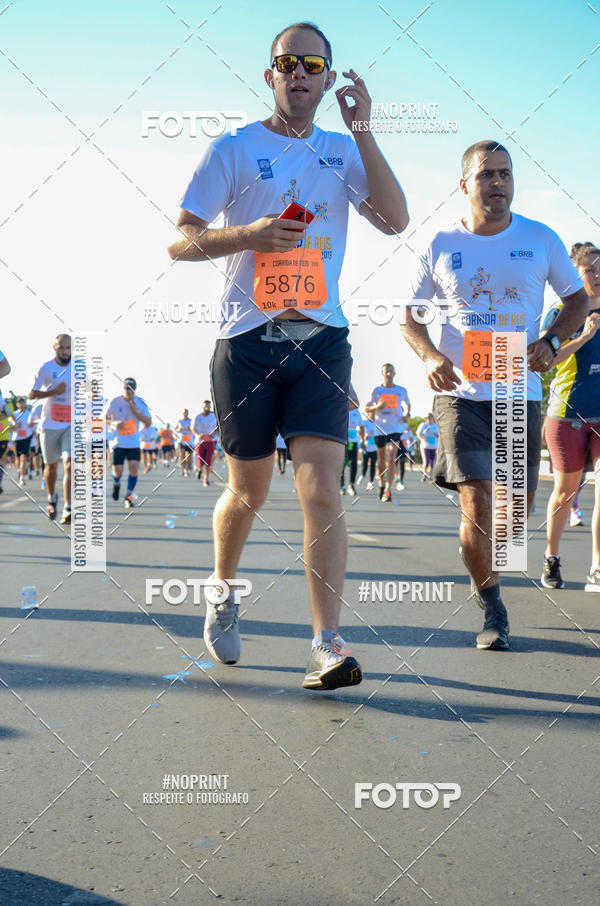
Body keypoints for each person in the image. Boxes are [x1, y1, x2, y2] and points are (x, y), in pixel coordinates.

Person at [168, 21, 408, 689]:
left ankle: (326, 643)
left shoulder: (342, 150)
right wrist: (248, 235)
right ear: (270, 73)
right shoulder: (235, 149)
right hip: (247, 342)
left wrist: (364, 131)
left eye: (312, 64)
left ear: (329, 79)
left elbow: (394, 220)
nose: (298, 73)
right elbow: (180, 239)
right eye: (286, 62)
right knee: (248, 489)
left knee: (321, 487)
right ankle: (221, 589)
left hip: (322, 341)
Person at [401, 140, 588, 650]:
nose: (498, 183)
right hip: (460, 393)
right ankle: (492, 605)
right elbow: (411, 316)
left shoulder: (541, 238)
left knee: (514, 516)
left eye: (505, 174)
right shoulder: (439, 242)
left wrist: (550, 340)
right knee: (478, 501)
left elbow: (576, 299)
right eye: (487, 175)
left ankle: (488, 564)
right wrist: (429, 356)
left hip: (518, 391)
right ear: (465, 184)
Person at [540, 242, 600, 591]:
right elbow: (548, 359)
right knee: (565, 492)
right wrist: (585, 336)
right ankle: (552, 557)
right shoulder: (563, 313)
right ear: (576, 274)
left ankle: (596, 566)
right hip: (567, 414)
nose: (597, 275)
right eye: (589, 269)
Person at [29, 334, 73, 523]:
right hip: (49, 425)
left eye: (68, 348)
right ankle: (52, 498)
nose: (65, 352)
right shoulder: (46, 368)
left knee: (70, 464)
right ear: (55, 348)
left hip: (71, 423)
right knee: (52, 467)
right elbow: (31, 394)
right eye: (62, 348)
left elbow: (87, 386)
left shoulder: (79, 367)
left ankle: (68, 508)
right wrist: (53, 392)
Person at [366, 364, 410, 502]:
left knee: (391, 457)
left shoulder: (401, 390)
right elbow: (367, 408)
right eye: (386, 372)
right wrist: (377, 407)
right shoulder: (377, 390)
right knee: (381, 460)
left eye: (391, 371)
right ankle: (380, 483)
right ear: (382, 374)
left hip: (395, 428)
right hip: (380, 428)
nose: (389, 374)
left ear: (395, 373)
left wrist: (407, 414)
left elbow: (408, 405)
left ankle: (388, 489)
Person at [105, 378, 151, 508]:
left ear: (134, 390)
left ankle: (128, 497)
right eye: (127, 388)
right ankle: (116, 483)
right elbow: (104, 419)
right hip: (117, 442)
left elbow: (148, 422)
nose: (129, 391)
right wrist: (113, 423)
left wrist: (135, 411)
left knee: (133, 469)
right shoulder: (114, 401)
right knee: (118, 471)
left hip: (133, 443)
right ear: (123, 388)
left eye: (131, 389)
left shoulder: (140, 403)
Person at [193, 400, 218, 485]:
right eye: (205, 406)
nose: (207, 408)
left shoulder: (213, 417)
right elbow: (193, 428)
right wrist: (197, 434)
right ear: (203, 407)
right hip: (199, 442)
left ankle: (205, 479)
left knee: (208, 461)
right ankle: (199, 469)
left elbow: (216, 428)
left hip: (210, 441)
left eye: (208, 406)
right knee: (200, 461)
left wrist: (213, 434)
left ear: (210, 407)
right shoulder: (198, 417)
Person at [357, 407, 377, 490]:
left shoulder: (377, 423)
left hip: (374, 448)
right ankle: (362, 475)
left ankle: (370, 483)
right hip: (365, 447)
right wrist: (364, 437)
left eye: (374, 414)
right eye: (371, 413)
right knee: (364, 465)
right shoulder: (364, 423)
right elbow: (357, 433)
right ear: (368, 414)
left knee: (373, 466)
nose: (373, 415)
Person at [417, 413, 439, 481]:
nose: (428, 418)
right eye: (427, 417)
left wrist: (437, 435)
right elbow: (418, 434)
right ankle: (424, 475)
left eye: (429, 417)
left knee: (433, 462)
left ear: (433, 418)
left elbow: (439, 436)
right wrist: (423, 439)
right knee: (426, 461)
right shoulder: (423, 425)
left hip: (434, 446)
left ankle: (431, 476)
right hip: (425, 446)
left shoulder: (436, 426)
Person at [175, 409, 194, 477]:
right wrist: (178, 430)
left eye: (186, 412)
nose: (185, 414)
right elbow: (175, 429)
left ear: (188, 413)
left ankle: (188, 467)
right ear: (182, 413)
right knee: (181, 454)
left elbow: (194, 429)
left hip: (189, 441)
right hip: (181, 440)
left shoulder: (191, 421)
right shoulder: (179, 421)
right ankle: (183, 469)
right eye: (184, 413)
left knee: (188, 456)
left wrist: (189, 429)